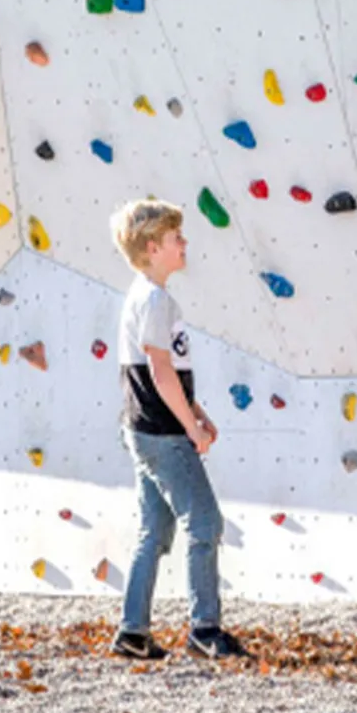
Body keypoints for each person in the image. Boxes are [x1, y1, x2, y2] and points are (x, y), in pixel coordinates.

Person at [106, 198, 246, 662]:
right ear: (152, 247)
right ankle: (205, 628)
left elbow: (164, 372)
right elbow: (161, 372)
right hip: (163, 434)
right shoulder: (155, 300)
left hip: (145, 428)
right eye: (175, 238)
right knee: (205, 523)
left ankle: (133, 631)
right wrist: (192, 428)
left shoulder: (148, 296)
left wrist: (198, 412)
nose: (184, 244)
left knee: (154, 531)